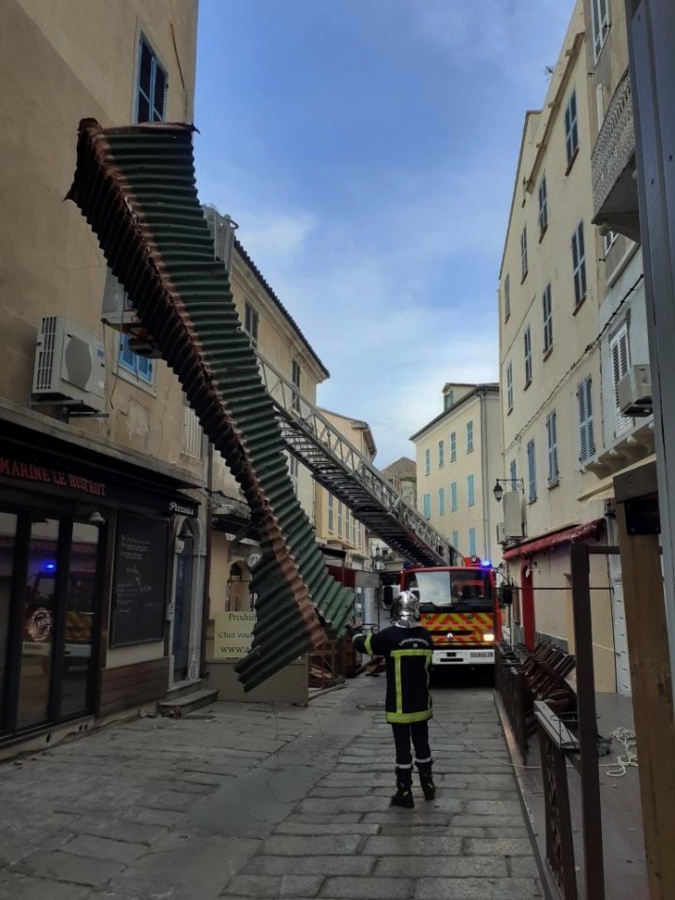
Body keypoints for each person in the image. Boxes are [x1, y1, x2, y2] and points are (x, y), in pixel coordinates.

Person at [350, 591, 435, 808]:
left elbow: (365, 645)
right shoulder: (426, 637)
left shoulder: (390, 636)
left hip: (399, 706)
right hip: (422, 705)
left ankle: (404, 792)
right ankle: (428, 787)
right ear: (417, 610)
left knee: (403, 749)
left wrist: (354, 632)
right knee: (423, 745)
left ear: (396, 609)